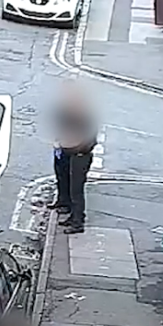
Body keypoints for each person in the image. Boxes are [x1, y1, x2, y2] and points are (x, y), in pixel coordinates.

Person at [49, 81, 97, 235]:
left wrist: (71, 146)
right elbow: (62, 127)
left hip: (80, 156)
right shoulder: (67, 113)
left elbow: (88, 141)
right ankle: (70, 213)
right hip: (68, 153)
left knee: (77, 190)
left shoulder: (85, 119)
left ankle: (78, 222)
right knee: (67, 183)